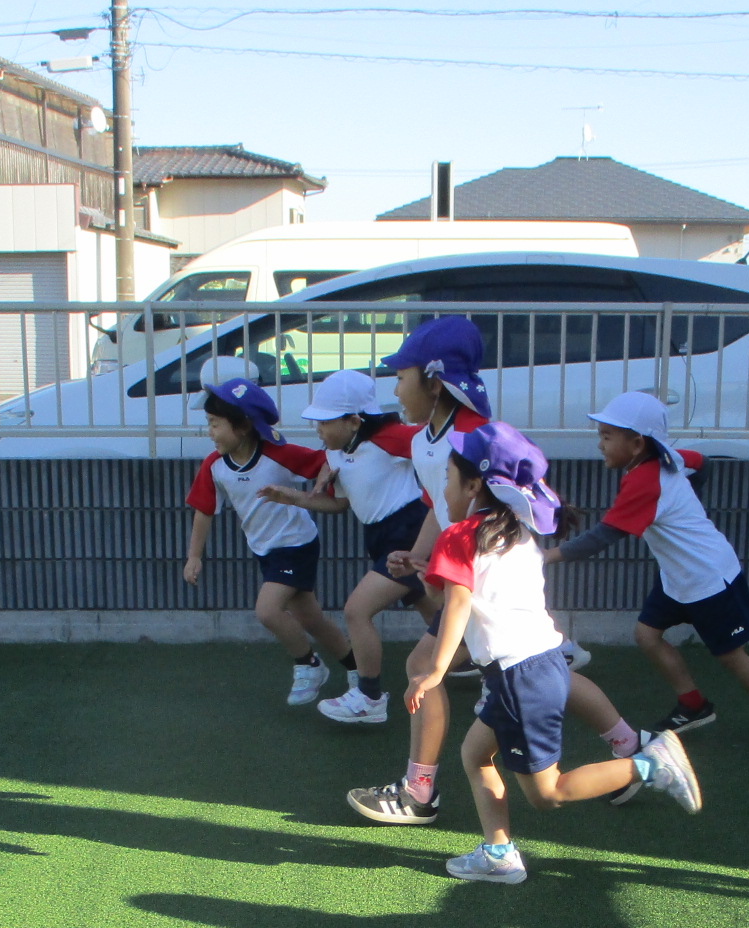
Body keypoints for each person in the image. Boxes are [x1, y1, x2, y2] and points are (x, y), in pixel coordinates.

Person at [348, 319, 622, 825]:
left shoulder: (474, 437)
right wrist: (418, 553)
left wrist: (443, 569)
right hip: (481, 586)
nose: (395, 389)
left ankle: (419, 793)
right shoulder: (424, 441)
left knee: (431, 668)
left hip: (486, 589)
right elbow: (439, 507)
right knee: (545, 671)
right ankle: (632, 748)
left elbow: (498, 510)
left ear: (434, 382)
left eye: (401, 377)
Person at [406, 422, 702, 885]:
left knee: (549, 794)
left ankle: (650, 764)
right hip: (541, 665)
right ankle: (499, 853)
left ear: (474, 484)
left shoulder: (461, 536)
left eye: (447, 477)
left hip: (517, 678)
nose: (443, 489)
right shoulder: (517, 532)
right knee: (474, 754)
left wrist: (435, 670)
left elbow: (456, 605)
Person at [548, 391, 749, 763]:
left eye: (607, 436)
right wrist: (686, 499)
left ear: (637, 443)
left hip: (710, 578)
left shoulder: (645, 480)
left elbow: (601, 538)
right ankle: (693, 704)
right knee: (647, 635)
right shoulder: (667, 458)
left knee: (731, 656)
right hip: (678, 577)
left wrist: (544, 557)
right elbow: (702, 464)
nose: (599, 444)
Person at [254, 369, 426, 725]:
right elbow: (339, 504)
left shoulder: (390, 438)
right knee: (439, 614)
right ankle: (489, 668)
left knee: (356, 611)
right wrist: (293, 497)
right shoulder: (334, 454)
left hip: (411, 532)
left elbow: (440, 446)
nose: (318, 429)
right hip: (379, 537)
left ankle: (369, 696)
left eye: (325, 422)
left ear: (353, 421)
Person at [183, 376, 356, 706]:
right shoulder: (214, 465)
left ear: (244, 426)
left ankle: (309, 665)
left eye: (216, 424)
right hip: (265, 550)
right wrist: (194, 556)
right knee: (311, 619)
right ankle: (359, 669)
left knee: (267, 610)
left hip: (296, 544)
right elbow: (203, 510)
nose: (210, 432)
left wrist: (323, 477)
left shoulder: (277, 453)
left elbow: (324, 461)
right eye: (209, 423)